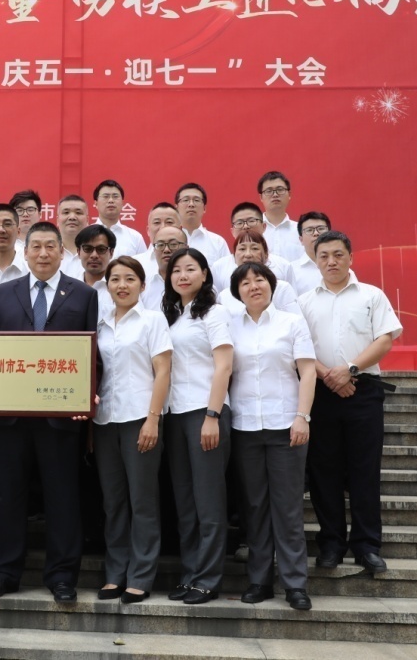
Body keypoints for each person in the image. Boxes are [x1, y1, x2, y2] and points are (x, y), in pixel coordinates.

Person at [0, 222, 100, 604]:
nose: (43, 253)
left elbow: (93, 352)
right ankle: (3, 574)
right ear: (25, 252)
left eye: (51, 246)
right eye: (36, 247)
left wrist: (87, 396)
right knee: (6, 498)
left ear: (62, 252)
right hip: (11, 418)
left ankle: (62, 577)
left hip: (61, 417)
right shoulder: (3, 293)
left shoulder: (83, 295)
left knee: (63, 499)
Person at [298, 231, 403, 575]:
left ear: (350, 257)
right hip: (321, 393)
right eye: (324, 255)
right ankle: (331, 544)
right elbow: (299, 349)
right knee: (323, 471)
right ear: (315, 260)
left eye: (338, 254)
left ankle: (367, 546)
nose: (331, 261)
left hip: (363, 391)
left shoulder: (371, 295)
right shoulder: (304, 302)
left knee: (364, 470)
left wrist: (350, 370)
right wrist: (330, 376)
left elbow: (384, 340)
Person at [229, 261, 317, 611]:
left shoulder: (291, 322)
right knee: (254, 507)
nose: (254, 286)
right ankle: (259, 580)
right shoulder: (230, 325)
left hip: (286, 426)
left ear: (272, 285)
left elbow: (308, 372)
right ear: (237, 292)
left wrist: (302, 417)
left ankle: (295, 584)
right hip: (245, 425)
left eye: (260, 280)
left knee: (288, 506)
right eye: (245, 282)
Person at [94, 256, 172, 604]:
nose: (122, 285)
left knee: (142, 501)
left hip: (140, 419)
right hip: (104, 421)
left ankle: (140, 576)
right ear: (107, 285)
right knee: (113, 502)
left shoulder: (153, 320)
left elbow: (163, 371)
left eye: (129, 279)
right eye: (115, 279)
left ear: (142, 285)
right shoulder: (100, 324)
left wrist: (153, 418)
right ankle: (115, 573)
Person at [161, 248, 233, 605]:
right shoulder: (171, 315)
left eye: (190, 269)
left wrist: (212, 415)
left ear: (205, 274)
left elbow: (224, 366)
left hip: (206, 413)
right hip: (175, 414)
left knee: (208, 501)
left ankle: (208, 579)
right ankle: (190, 575)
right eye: (176, 270)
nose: (183, 275)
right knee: (185, 502)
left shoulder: (213, 312)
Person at [218, 232, 300, 315]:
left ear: (266, 255)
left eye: (255, 248)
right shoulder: (225, 296)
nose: (248, 254)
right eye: (242, 249)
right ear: (234, 256)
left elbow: (296, 320)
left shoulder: (282, 289)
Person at [216, 201, 293, 285]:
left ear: (264, 226)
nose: (246, 226)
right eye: (239, 223)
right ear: (232, 231)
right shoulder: (219, 267)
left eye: (251, 221)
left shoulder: (283, 266)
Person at [175, 183, 228, 262]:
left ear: (204, 208)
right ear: (176, 208)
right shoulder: (168, 241)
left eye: (196, 200)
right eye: (185, 200)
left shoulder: (218, 242)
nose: (191, 204)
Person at [93, 179, 148, 256]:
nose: (111, 200)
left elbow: (144, 263)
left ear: (122, 203)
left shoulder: (135, 237)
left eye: (115, 196)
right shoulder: (85, 235)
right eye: (105, 196)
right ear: (96, 203)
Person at [257, 171, 301, 262]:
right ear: (261, 197)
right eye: (269, 191)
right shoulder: (254, 230)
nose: (275, 194)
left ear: (289, 194)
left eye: (280, 189)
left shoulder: (301, 230)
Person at [73, 223, 116, 315]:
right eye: (88, 249)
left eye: (101, 249)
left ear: (111, 253)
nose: (94, 255)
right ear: (78, 252)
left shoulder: (119, 288)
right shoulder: (68, 287)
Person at [142, 225, 187, 309]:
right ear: (154, 250)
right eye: (160, 245)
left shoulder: (197, 283)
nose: (166, 250)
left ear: (186, 248)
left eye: (173, 244)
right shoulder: (142, 285)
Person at [287, 212, 331, 295]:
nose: (316, 233)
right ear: (301, 240)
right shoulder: (291, 270)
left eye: (321, 229)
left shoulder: (342, 267)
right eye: (309, 230)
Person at [132, 202, 181, 272]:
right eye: (157, 222)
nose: (163, 227)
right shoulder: (135, 264)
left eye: (169, 222)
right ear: (148, 230)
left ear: (180, 229)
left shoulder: (192, 261)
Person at [57, 194, 89, 277]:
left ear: (87, 220)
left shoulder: (96, 254)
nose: (72, 217)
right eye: (66, 212)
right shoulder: (49, 252)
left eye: (78, 213)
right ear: (57, 219)